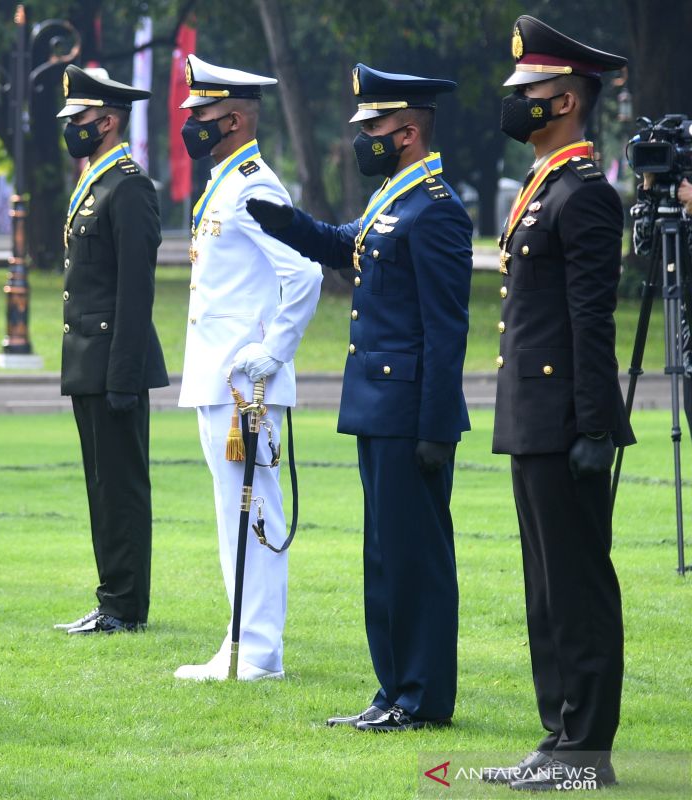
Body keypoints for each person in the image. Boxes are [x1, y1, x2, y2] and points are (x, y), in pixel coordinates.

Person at [248, 65, 472, 731]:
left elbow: (445, 329)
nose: (361, 138)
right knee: (384, 557)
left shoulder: (434, 210)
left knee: (415, 560)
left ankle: (423, 697)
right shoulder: (393, 201)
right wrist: (284, 222)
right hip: (379, 410)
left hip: (410, 416)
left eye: (371, 127)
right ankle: (393, 688)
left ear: (406, 132)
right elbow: (346, 245)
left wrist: (436, 426)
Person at [478, 16, 632, 791]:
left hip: (567, 421)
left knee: (577, 587)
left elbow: (589, 322)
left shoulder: (584, 195)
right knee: (545, 590)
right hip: (533, 419)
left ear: (565, 100)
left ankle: (586, 753)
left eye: (527, 91)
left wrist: (596, 428)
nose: (515, 103)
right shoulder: (547, 189)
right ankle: (558, 737)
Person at [173, 55, 322, 681]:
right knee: (232, 512)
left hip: (245, 384)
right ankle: (241, 639)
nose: (191, 125)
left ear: (232, 119)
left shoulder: (254, 186)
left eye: (201, 115)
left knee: (254, 513)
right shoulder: (227, 183)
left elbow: (306, 272)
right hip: (221, 380)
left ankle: (257, 652)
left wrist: (274, 351)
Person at [52, 65, 168, 636]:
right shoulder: (96, 181)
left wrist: (124, 376)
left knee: (120, 488)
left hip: (113, 363)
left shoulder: (128, 187)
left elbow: (134, 291)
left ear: (108, 120)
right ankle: (110, 598)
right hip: (88, 362)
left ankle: (126, 605)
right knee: (100, 487)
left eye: (80, 119)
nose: (73, 128)